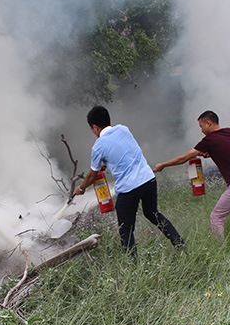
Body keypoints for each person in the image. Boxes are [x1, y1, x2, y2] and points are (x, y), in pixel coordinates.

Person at [74, 105, 184, 255]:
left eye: (92, 129)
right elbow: (122, 151)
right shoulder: (123, 129)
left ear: (95, 127)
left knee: (125, 230)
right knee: (153, 213)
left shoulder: (98, 146)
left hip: (129, 188)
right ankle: (179, 244)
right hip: (148, 180)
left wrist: (81, 188)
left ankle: (133, 267)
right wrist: (105, 162)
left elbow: (92, 176)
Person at [155, 110, 230, 241]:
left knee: (216, 216)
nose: (201, 130)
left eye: (201, 126)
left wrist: (163, 165)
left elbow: (183, 158)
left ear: (209, 123)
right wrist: (211, 153)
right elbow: (228, 149)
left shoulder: (208, 141)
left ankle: (219, 250)